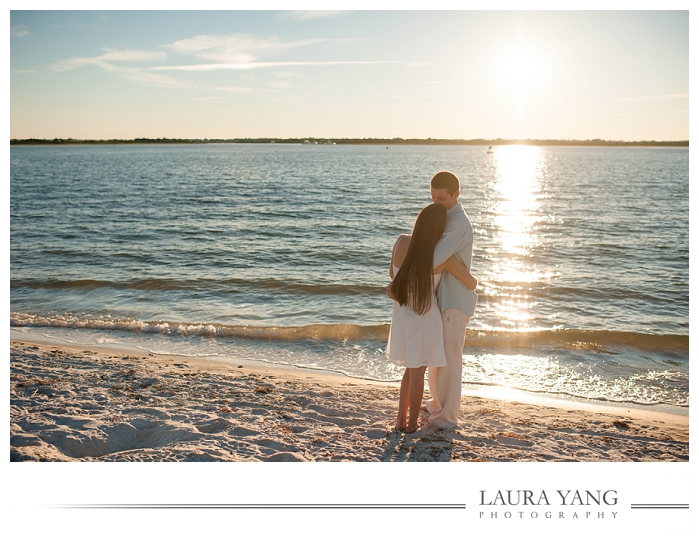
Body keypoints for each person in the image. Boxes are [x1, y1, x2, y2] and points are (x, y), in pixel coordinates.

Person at [387, 203, 477, 434]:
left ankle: (400, 420)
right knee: (418, 373)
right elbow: (471, 282)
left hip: (402, 316)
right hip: (425, 316)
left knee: (409, 370)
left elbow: (391, 275)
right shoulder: (439, 257)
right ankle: (412, 423)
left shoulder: (400, 242)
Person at [425, 171, 478, 428]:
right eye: (433, 198)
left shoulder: (458, 223)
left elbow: (434, 260)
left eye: (442, 199)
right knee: (438, 356)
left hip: (455, 299)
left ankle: (447, 416)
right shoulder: (444, 217)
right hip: (443, 297)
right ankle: (437, 405)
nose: (436, 204)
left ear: (457, 195)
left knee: (450, 360)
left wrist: (460, 273)